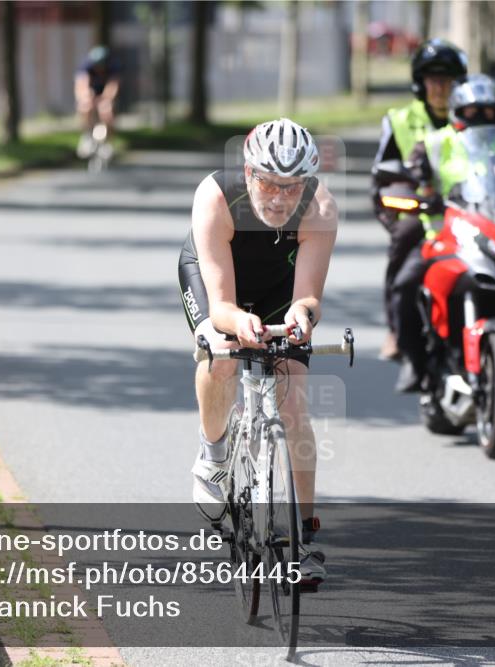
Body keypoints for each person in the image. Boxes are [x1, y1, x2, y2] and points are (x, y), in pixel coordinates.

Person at [178, 118, 338, 585]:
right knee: (220, 352)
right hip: (218, 283)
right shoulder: (215, 196)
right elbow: (223, 303)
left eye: (293, 188)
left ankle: (303, 541)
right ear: (248, 173)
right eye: (268, 183)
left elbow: (308, 297)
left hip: (279, 291)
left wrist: (302, 318)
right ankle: (213, 452)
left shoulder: (321, 208)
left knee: (292, 402)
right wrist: (233, 322)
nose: (280, 198)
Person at [393, 75, 495, 391]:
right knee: (405, 285)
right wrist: (412, 191)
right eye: (472, 112)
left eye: (488, 112)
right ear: (458, 112)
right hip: (443, 233)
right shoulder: (434, 143)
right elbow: (408, 175)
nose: (480, 119)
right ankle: (414, 363)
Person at [371, 40, 468, 373]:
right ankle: (398, 332)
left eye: (448, 79)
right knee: (406, 244)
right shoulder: (399, 119)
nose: (440, 86)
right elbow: (382, 176)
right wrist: (397, 211)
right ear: (420, 82)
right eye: (433, 78)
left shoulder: (474, 117)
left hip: (470, 213)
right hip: (418, 210)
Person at [74, 46, 121, 159]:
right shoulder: (86, 67)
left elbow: (113, 86)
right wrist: (87, 96)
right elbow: (81, 86)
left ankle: (108, 142)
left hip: (104, 95)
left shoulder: (112, 67)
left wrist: (106, 99)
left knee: (107, 111)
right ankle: (87, 136)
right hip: (91, 94)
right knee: (85, 107)